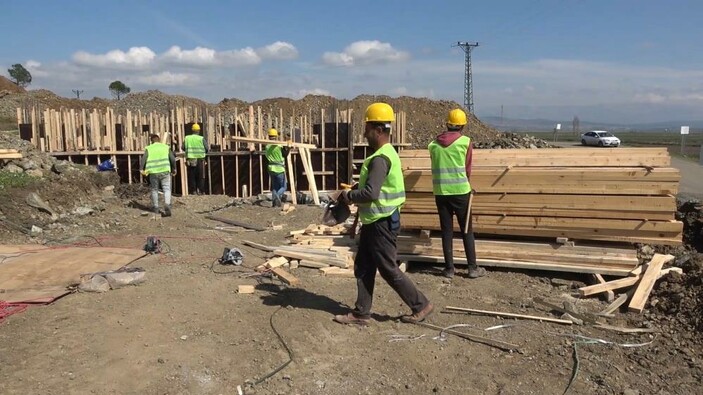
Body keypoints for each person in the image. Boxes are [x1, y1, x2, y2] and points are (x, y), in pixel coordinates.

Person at [333, 102, 433, 326]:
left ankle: (421, 305)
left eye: (367, 128)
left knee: (387, 268)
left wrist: (349, 196)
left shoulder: (379, 158)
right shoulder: (387, 153)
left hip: (381, 223)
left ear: (378, 130)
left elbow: (371, 192)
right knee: (364, 265)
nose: (364, 133)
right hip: (377, 222)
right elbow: (373, 186)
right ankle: (361, 313)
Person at [428, 108, 486, 279]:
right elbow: (467, 169)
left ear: (447, 124)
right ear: (462, 126)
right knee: (466, 230)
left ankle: (449, 269)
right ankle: (472, 268)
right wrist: (466, 184)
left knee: (447, 231)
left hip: (441, 193)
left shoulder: (432, 145)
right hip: (461, 192)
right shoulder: (465, 142)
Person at [141, 134, 176, 217]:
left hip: (153, 172)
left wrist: (141, 168)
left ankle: (156, 208)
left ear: (151, 141)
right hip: (165, 170)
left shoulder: (149, 148)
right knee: (167, 189)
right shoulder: (165, 147)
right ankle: (167, 204)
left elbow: (144, 158)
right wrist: (174, 168)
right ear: (159, 140)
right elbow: (172, 158)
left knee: (154, 189)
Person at [265, 128, 289, 207]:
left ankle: (274, 204)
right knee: (284, 187)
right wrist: (289, 148)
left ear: (269, 136)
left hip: (271, 168)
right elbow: (285, 155)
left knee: (275, 187)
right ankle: (277, 197)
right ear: (276, 136)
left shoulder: (267, 146)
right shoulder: (279, 145)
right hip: (279, 169)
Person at [183, 123, 208, 195]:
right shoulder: (201, 138)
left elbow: (183, 147)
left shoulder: (187, 138)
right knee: (200, 176)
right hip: (200, 159)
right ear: (199, 131)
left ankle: (193, 191)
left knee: (192, 176)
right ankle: (201, 190)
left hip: (191, 159)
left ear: (192, 130)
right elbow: (206, 148)